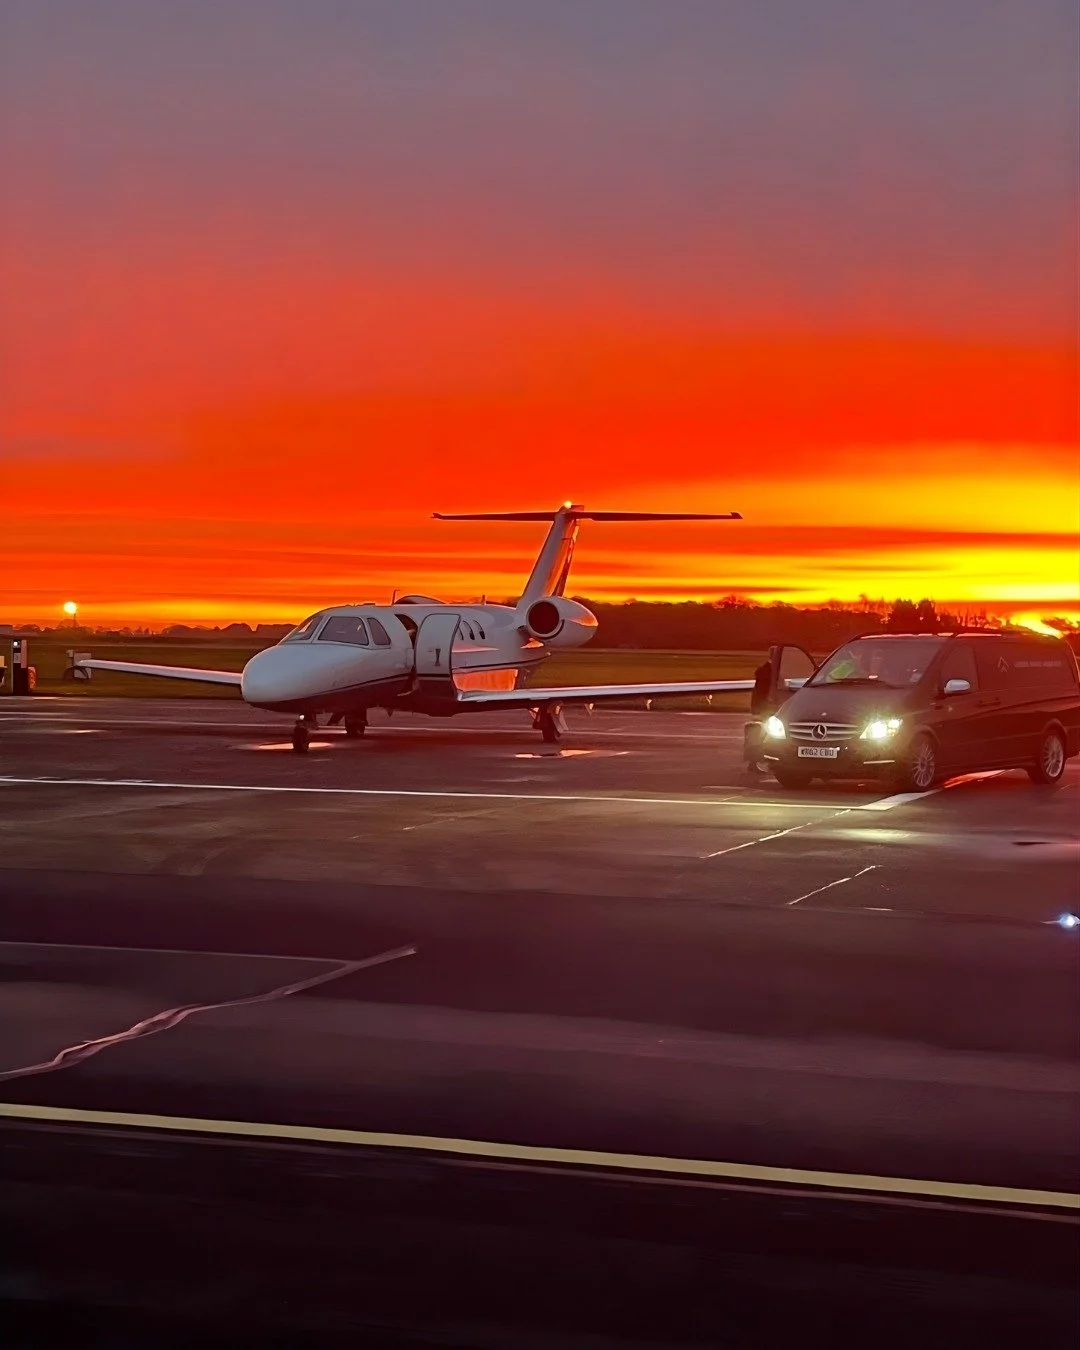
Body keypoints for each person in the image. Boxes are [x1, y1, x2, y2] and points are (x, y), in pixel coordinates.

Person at [743, 648, 778, 774]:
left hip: (765, 708)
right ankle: (755, 763)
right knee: (761, 736)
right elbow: (761, 693)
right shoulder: (767, 671)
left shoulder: (766, 670)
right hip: (764, 709)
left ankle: (761, 762)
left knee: (763, 736)